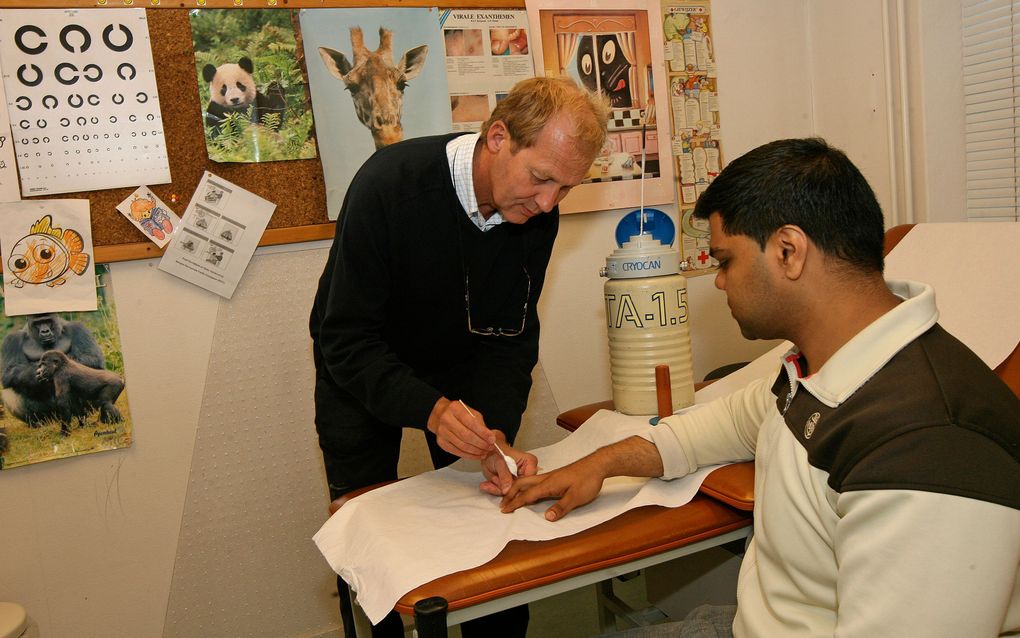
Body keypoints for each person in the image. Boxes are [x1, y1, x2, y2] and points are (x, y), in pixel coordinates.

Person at [502, 138, 1020, 637]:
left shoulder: (928, 447)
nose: (720, 281)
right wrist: (600, 463)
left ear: (788, 251)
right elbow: (726, 422)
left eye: (725, 261)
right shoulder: (823, 365)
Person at [310, 76, 610, 637]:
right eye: (542, 178)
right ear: (498, 137)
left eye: (566, 189)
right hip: (362, 361)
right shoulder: (389, 185)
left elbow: (512, 335)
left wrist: (492, 433)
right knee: (370, 546)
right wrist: (430, 408)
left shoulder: (536, 210)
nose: (549, 204)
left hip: (461, 355)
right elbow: (345, 339)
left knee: (490, 527)